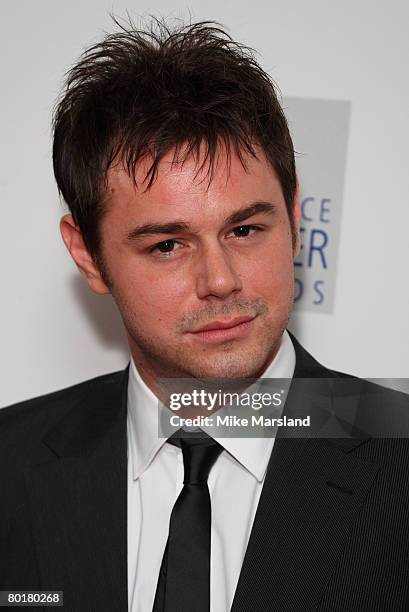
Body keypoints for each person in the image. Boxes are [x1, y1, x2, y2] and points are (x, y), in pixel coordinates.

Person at [1, 17, 408, 612]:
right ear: (87, 255)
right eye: (167, 245)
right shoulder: (10, 465)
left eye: (245, 229)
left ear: (294, 219)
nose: (220, 281)